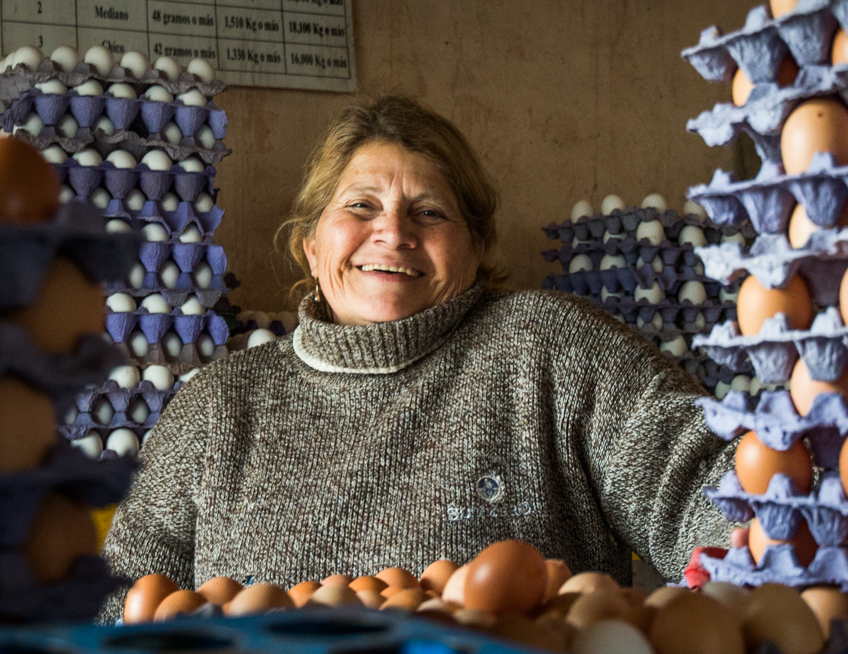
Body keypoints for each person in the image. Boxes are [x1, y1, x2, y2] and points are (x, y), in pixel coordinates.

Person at [99, 95, 734, 621]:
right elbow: (118, 598)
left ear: (475, 247)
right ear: (309, 246)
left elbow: (711, 487)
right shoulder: (220, 403)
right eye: (360, 206)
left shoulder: (550, 347)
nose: (394, 232)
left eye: (429, 212)